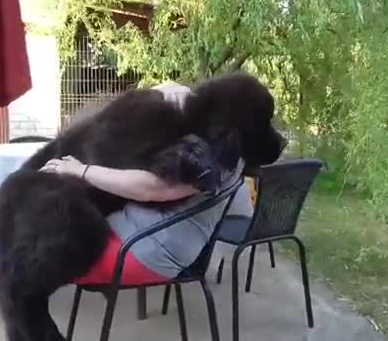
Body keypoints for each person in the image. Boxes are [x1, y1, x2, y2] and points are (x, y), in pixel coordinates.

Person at [37, 81, 252, 285]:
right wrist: (163, 90)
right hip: (159, 241)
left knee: (43, 252)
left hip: (146, 250)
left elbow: (151, 189)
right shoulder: (229, 148)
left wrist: (82, 170)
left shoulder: (219, 156)